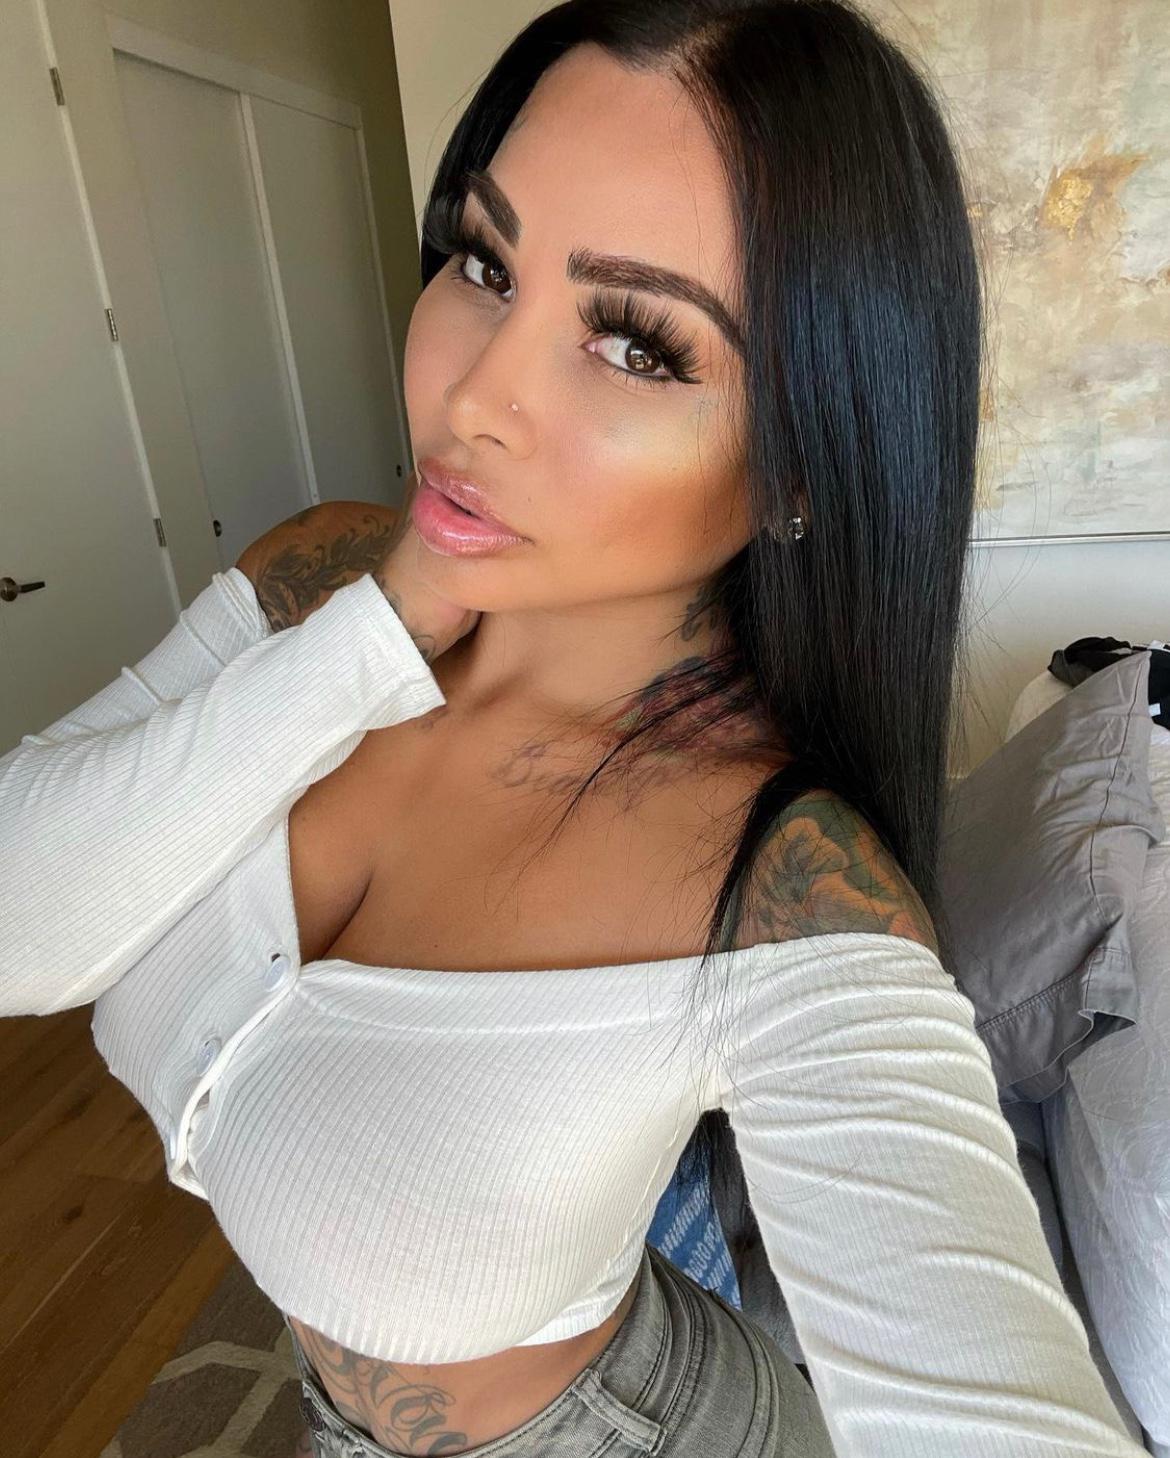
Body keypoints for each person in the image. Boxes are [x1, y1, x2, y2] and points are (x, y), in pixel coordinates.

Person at [0, 2, 1148, 1455]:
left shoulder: (788, 893)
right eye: (485, 262)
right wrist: (386, 621)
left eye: (635, 344)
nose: (472, 395)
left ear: (804, 465)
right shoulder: (316, 580)